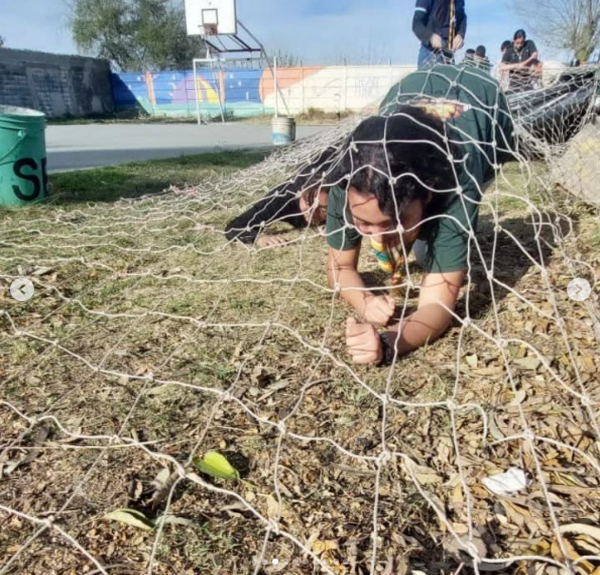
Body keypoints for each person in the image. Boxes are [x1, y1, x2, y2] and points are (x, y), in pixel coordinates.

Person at [325, 65, 514, 365]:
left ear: (427, 195)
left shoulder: (458, 180)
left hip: (485, 101)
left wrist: (388, 343)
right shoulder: (348, 180)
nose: (377, 238)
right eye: (364, 223)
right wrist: (365, 303)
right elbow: (340, 266)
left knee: (428, 255)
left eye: (392, 222)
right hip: (412, 85)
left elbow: (438, 306)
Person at [224, 144, 340, 247]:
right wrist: (259, 238)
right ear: (303, 191)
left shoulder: (343, 196)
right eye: (309, 201)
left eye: (324, 209)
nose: (311, 211)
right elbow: (235, 227)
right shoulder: (284, 196)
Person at [413, 0, 467, 69]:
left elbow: (462, 18)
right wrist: (430, 37)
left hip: (449, 55)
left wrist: (460, 34)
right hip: (429, 54)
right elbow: (416, 24)